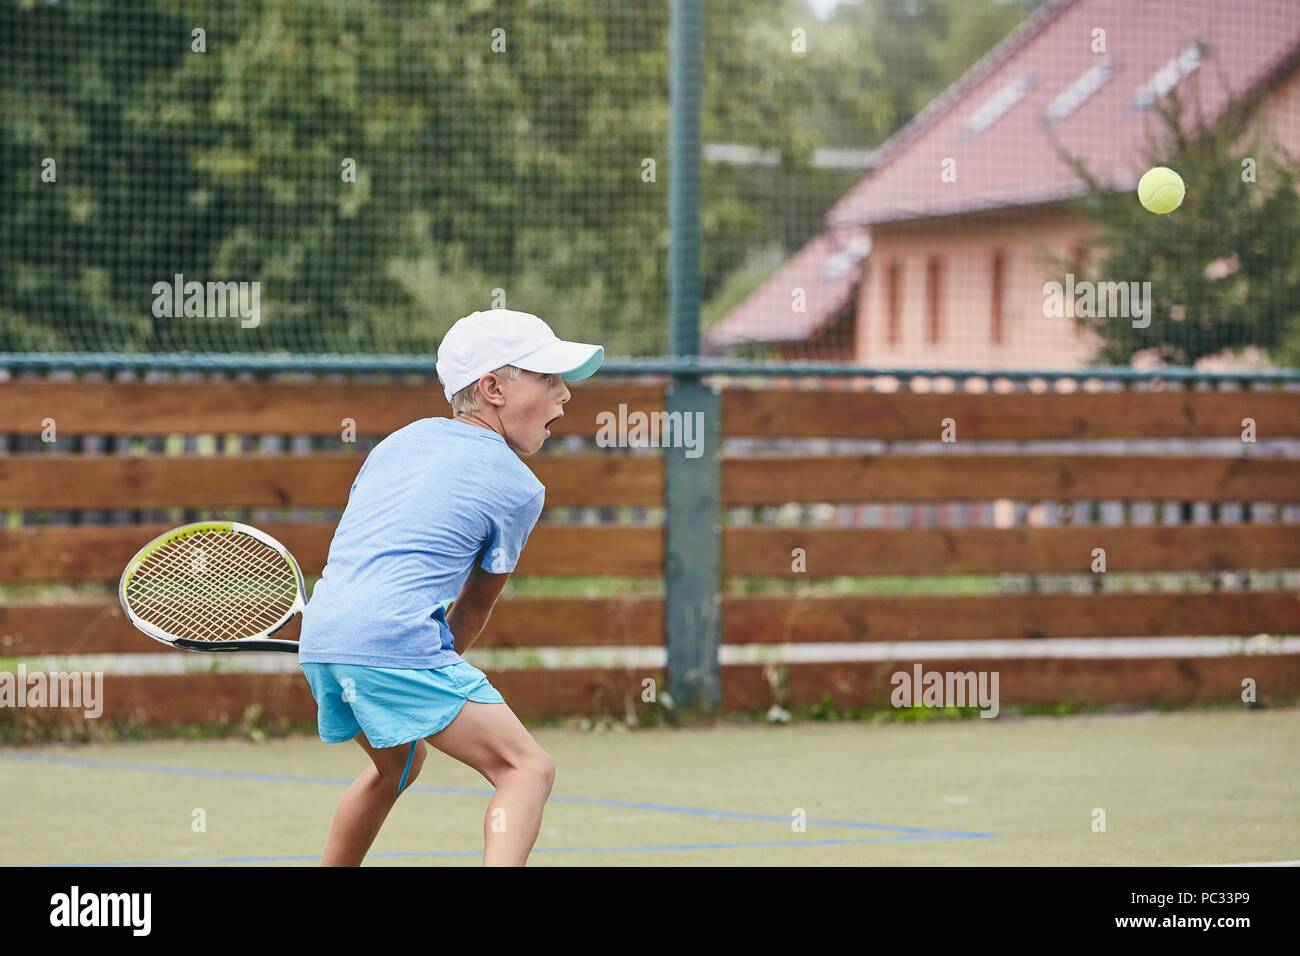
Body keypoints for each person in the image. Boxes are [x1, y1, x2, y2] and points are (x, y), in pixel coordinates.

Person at [298, 308, 603, 865]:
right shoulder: (518, 486)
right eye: (548, 379)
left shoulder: (396, 444)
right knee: (526, 768)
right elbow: (475, 608)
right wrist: (430, 663)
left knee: (398, 766)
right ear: (492, 388)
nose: (565, 396)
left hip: (319, 641)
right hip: (393, 643)